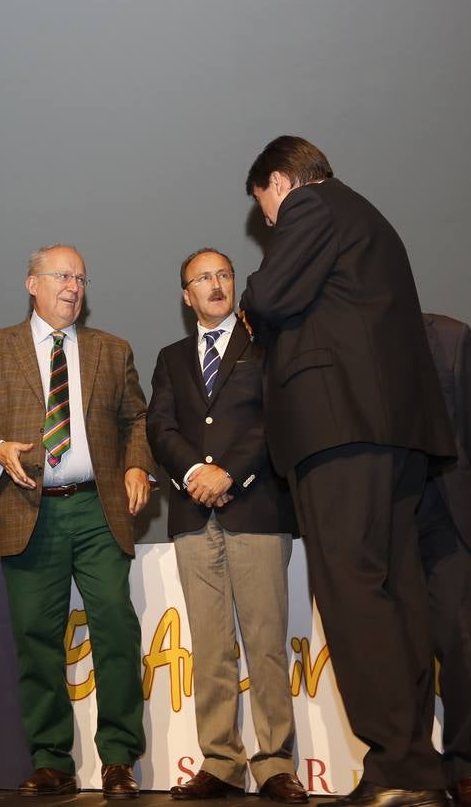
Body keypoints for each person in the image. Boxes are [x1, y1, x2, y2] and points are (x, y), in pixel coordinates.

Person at [240, 136, 456, 807]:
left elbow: (268, 296)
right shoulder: (370, 217)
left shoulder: (311, 206)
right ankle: (413, 761)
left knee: (352, 591)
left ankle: (397, 764)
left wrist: (255, 294)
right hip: (391, 436)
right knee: (395, 592)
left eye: (263, 207)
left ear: (280, 181)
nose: (269, 221)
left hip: (338, 430)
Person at [0, 244, 154, 799]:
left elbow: (137, 418)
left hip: (97, 509)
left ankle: (118, 758)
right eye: (63, 276)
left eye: (82, 279)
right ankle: (51, 760)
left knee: (115, 625)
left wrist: (137, 464)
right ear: (32, 284)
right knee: (36, 638)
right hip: (27, 508)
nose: (74, 287)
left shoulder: (112, 350)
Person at [147, 248, 304, 802]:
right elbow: (159, 425)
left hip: (257, 508)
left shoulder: (268, 345)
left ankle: (275, 763)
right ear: (186, 295)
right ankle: (220, 761)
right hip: (193, 514)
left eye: (223, 275)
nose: (215, 285)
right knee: (211, 647)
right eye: (202, 279)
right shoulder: (169, 358)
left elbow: (277, 421)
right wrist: (194, 471)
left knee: (264, 643)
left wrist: (229, 473)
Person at [417, 313, 471, 807]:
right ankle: (413, 767)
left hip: (447, 509)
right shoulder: (355, 339)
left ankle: (470, 768)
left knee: (463, 642)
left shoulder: (451, 335)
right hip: (384, 517)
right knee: (399, 652)